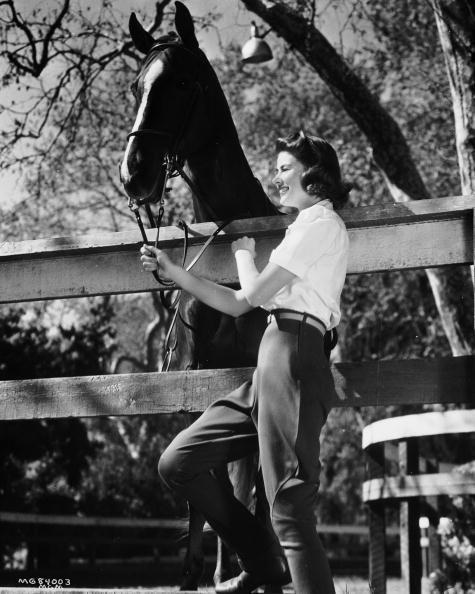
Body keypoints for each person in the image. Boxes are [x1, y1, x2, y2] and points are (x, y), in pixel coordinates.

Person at [140, 131, 351, 594]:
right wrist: (172, 271)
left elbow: (251, 292)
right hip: (270, 360)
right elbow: (238, 304)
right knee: (179, 462)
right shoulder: (302, 228)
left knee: (289, 508)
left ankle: (277, 569)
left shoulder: (321, 224)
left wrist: (242, 255)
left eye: (284, 168)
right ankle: (261, 562)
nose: (275, 178)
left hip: (295, 356)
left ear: (314, 175)